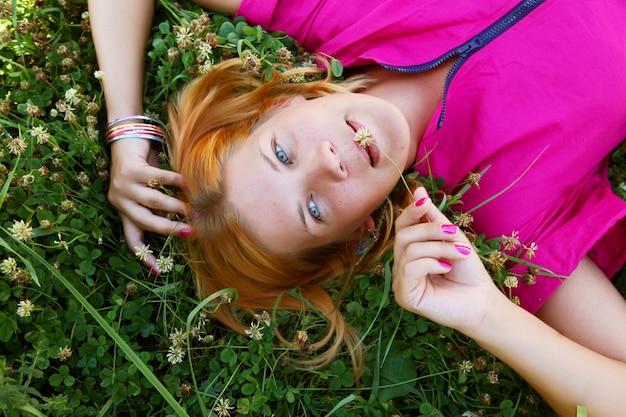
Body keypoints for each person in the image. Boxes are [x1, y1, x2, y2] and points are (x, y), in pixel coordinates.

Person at [88, 0, 626, 415]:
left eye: (282, 153)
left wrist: (126, 130)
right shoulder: (511, 209)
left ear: (280, 104)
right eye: (315, 209)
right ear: (357, 233)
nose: (327, 162)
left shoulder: (336, 10)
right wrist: (488, 315)